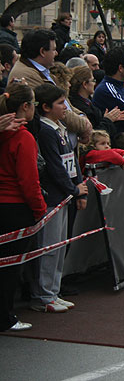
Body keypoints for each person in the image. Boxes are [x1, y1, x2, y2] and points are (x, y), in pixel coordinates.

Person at [32, 83, 88, 313]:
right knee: (49, 247)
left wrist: (78, 185)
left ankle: (53, 291)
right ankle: (42, 295)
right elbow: (55, 167)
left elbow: (71, 161)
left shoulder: (60, 128)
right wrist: (73, 189)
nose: (65, 107)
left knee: (59, 245)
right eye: (59, 103)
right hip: (53, 198)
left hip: (65, 195)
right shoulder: (45, 132)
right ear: (45, 107)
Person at [0, 81, 47, 331]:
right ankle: (5, 317)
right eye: (35, 105)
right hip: (16, 208)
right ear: (26, 107)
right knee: (10, 267)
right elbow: (29, 180)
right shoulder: (22, 137)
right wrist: (39, 210)